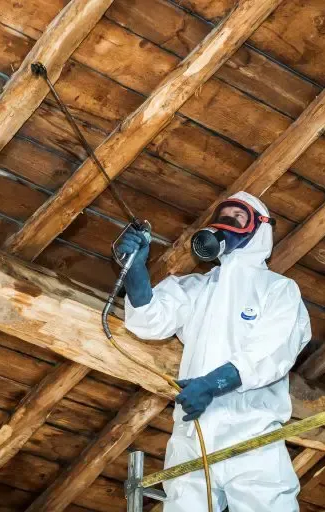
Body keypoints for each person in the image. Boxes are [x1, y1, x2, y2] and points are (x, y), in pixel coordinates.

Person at [118, 191, 311, 512]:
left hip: (251, 435)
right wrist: (136, 270)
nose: (226, 225)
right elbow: (150, 320)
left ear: (259, 229)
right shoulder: (196, 288)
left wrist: (211, 385)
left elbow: (270, 354)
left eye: (239, 219)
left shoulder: (278, 289)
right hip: (192, 438)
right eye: (223, 217)